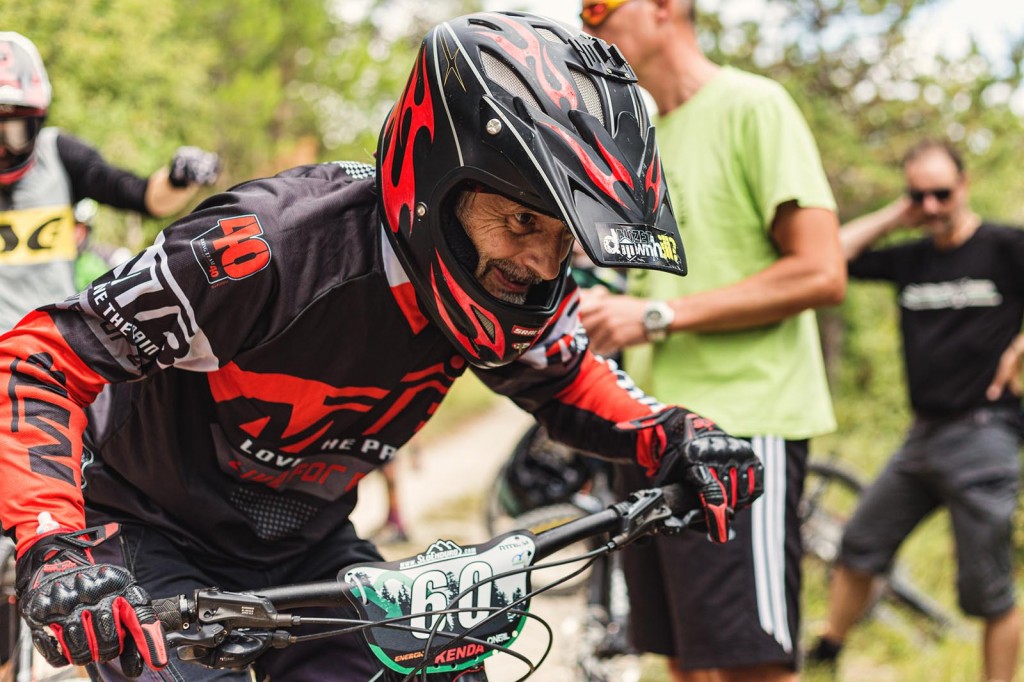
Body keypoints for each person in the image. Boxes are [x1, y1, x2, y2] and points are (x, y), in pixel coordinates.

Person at [0, 13, 764, 682]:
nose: (539, 263)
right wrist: (53, 544)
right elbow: (41, 358)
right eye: (522, 221)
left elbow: (571, 382)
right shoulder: (261, 249)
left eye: (564, 237)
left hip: (309, 549)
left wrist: (679, 436)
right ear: (440, 183)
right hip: (147, 533)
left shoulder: (508, 293)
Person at [578, 1, 846, 680]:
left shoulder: (755, 106)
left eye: (600, 6)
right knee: (681, 658)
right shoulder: (639, 139)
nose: (587, 24)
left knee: (748, 663)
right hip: (650, 432)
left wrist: (657, 316)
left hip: (739, 431)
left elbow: (821, 270)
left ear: (664, 8)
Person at [807, 139, 1024, 681]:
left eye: (941, 194)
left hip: (985, 433)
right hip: (922, 436)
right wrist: (892, 217)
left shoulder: (1005, 247)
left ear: (964, 186)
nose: (930, 206)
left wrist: (1021, 347)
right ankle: (827, 653)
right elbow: (828, 256)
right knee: (859, 545)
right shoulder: (912, 256)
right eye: (918, 195)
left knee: (988, 589)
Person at [0, 31, 220, 332]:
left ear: (37, 122)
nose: (2, 150)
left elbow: (142, 196)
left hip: (47, 345)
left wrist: (179, 178)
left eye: (13, 134)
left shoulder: (59, 155)